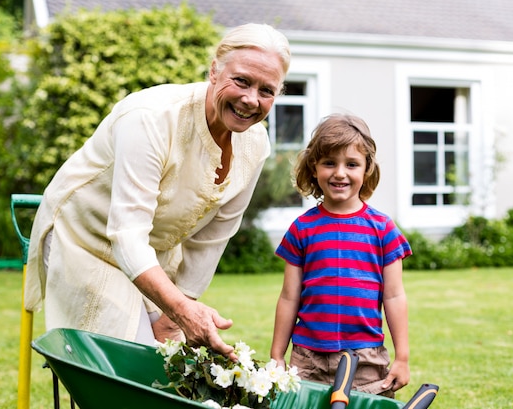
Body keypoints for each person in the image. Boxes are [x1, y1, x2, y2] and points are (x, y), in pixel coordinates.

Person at [23, 23, 291, 359]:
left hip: (152, 253)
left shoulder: (255, 143)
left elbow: (212, 239)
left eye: (267, 90)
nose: (251, 99)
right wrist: (181, 311)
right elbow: (126, 233)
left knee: (169, 358)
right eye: (241, 81)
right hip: (84, 239)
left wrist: (176, 312)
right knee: (134, 356)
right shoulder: (151, 117)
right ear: (214, 71)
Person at [270, 113, 411, 397]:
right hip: (308, 359)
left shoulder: (383, 229)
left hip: (365, 360)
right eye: (329, 163)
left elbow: (394, 296)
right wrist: (277, 355)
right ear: (314, 167)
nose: (340, 173)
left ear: (367, 169)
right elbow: (289, 296)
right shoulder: (302, 229)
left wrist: (402, 358)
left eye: (352, 164)